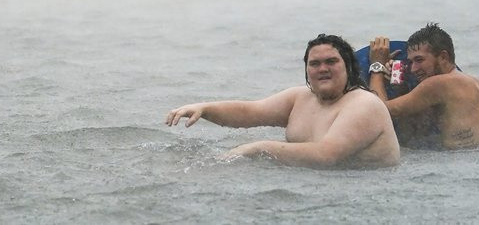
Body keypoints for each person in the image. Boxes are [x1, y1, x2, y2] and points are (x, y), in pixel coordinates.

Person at [165, 33, 400, 168]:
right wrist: (204, 108)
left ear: (348, 66)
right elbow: (250, 112)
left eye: (331, 62)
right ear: (307, 70)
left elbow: (327, 155)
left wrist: (258, 148)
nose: (323, 69)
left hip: (363, 188)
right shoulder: (300, 98)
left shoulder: (363, 104)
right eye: (315, 64)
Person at [368, 23, 479, 149]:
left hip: (463, 161)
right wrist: (400, 89)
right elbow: (415, 130)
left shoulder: (439, 83)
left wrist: (377, 67)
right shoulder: (473, 81)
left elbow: (377, 110)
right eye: (411, 62)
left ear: (443, 57)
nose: (413, 69)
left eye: (419, 60)